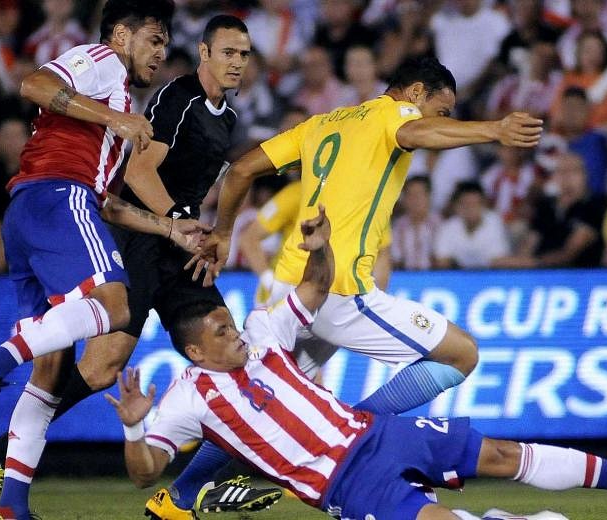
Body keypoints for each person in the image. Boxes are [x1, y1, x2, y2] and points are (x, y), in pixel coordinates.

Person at [107, 206, 607, 520]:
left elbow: (314, 286)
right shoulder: (187, 397)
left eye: (230, 323)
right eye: (221, 333)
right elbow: (142, 473)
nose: (235, 335)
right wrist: (134, 423)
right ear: (194, 351)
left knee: (500, 454)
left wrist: (322, 247)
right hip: (347, 484)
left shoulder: (264, 331)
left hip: (379, 435)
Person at [153, 56, 541, 517]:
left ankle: (174, 500)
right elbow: (418, 132)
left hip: (291, 288)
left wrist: (222, 232)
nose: (444, 120)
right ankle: (365, 431)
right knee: (462, 353)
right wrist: (492, 130)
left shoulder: (323, 122)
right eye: (444, 109)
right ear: (416, 93)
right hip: (335, 288)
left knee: (261, 399)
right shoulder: (393, 116)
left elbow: (240, 171)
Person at [0, 13, 280, 518]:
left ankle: (200, 485)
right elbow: (136, 168)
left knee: (226, 345)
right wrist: (178, 219)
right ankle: (0, 448)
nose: (238, 62)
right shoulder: (180, 100)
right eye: (228, 52)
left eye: (244, 54)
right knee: (100, 368)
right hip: (138, 241)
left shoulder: (225, 114)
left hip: (175, 247)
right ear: (204, 53)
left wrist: (204, 233)